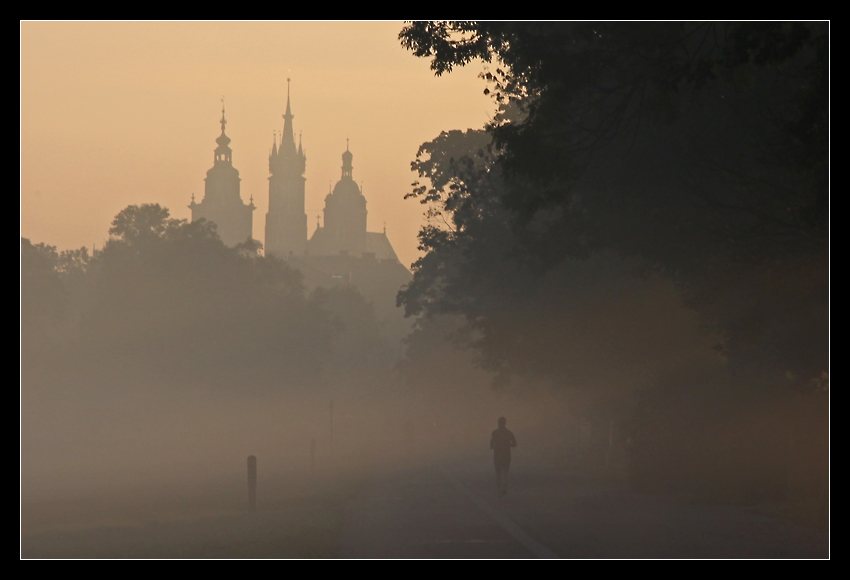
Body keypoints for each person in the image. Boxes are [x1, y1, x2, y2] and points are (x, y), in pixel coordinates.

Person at [490, 417, 517, 496]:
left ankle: (499, 490)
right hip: (506, 454)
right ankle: (504, 488)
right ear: (505, 423)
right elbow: (514, 443)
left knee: (498, 472)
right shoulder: (509, 432)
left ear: (498, 423)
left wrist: (496, 446)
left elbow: (491, 445)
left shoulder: (494, 433)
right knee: (505, 471)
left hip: (497, 455)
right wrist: (507, 445)